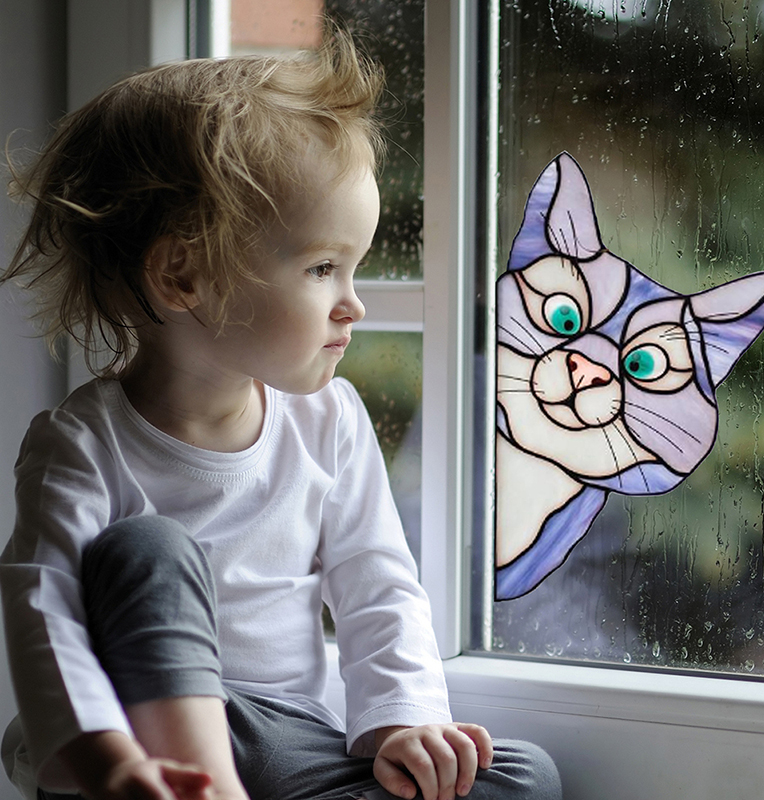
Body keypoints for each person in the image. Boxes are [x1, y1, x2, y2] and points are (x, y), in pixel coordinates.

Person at [0, 29, 561, 800]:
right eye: (323, 267)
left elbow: (378, 584)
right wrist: (107, 759)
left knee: (521, 776)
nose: (353, 304)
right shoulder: (84, 443)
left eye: (354, 269)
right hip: (136, 744)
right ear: (184, 275)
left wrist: (405, 723)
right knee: (146, 548)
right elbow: (45, 607)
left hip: (288, 741)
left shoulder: (330, 420)